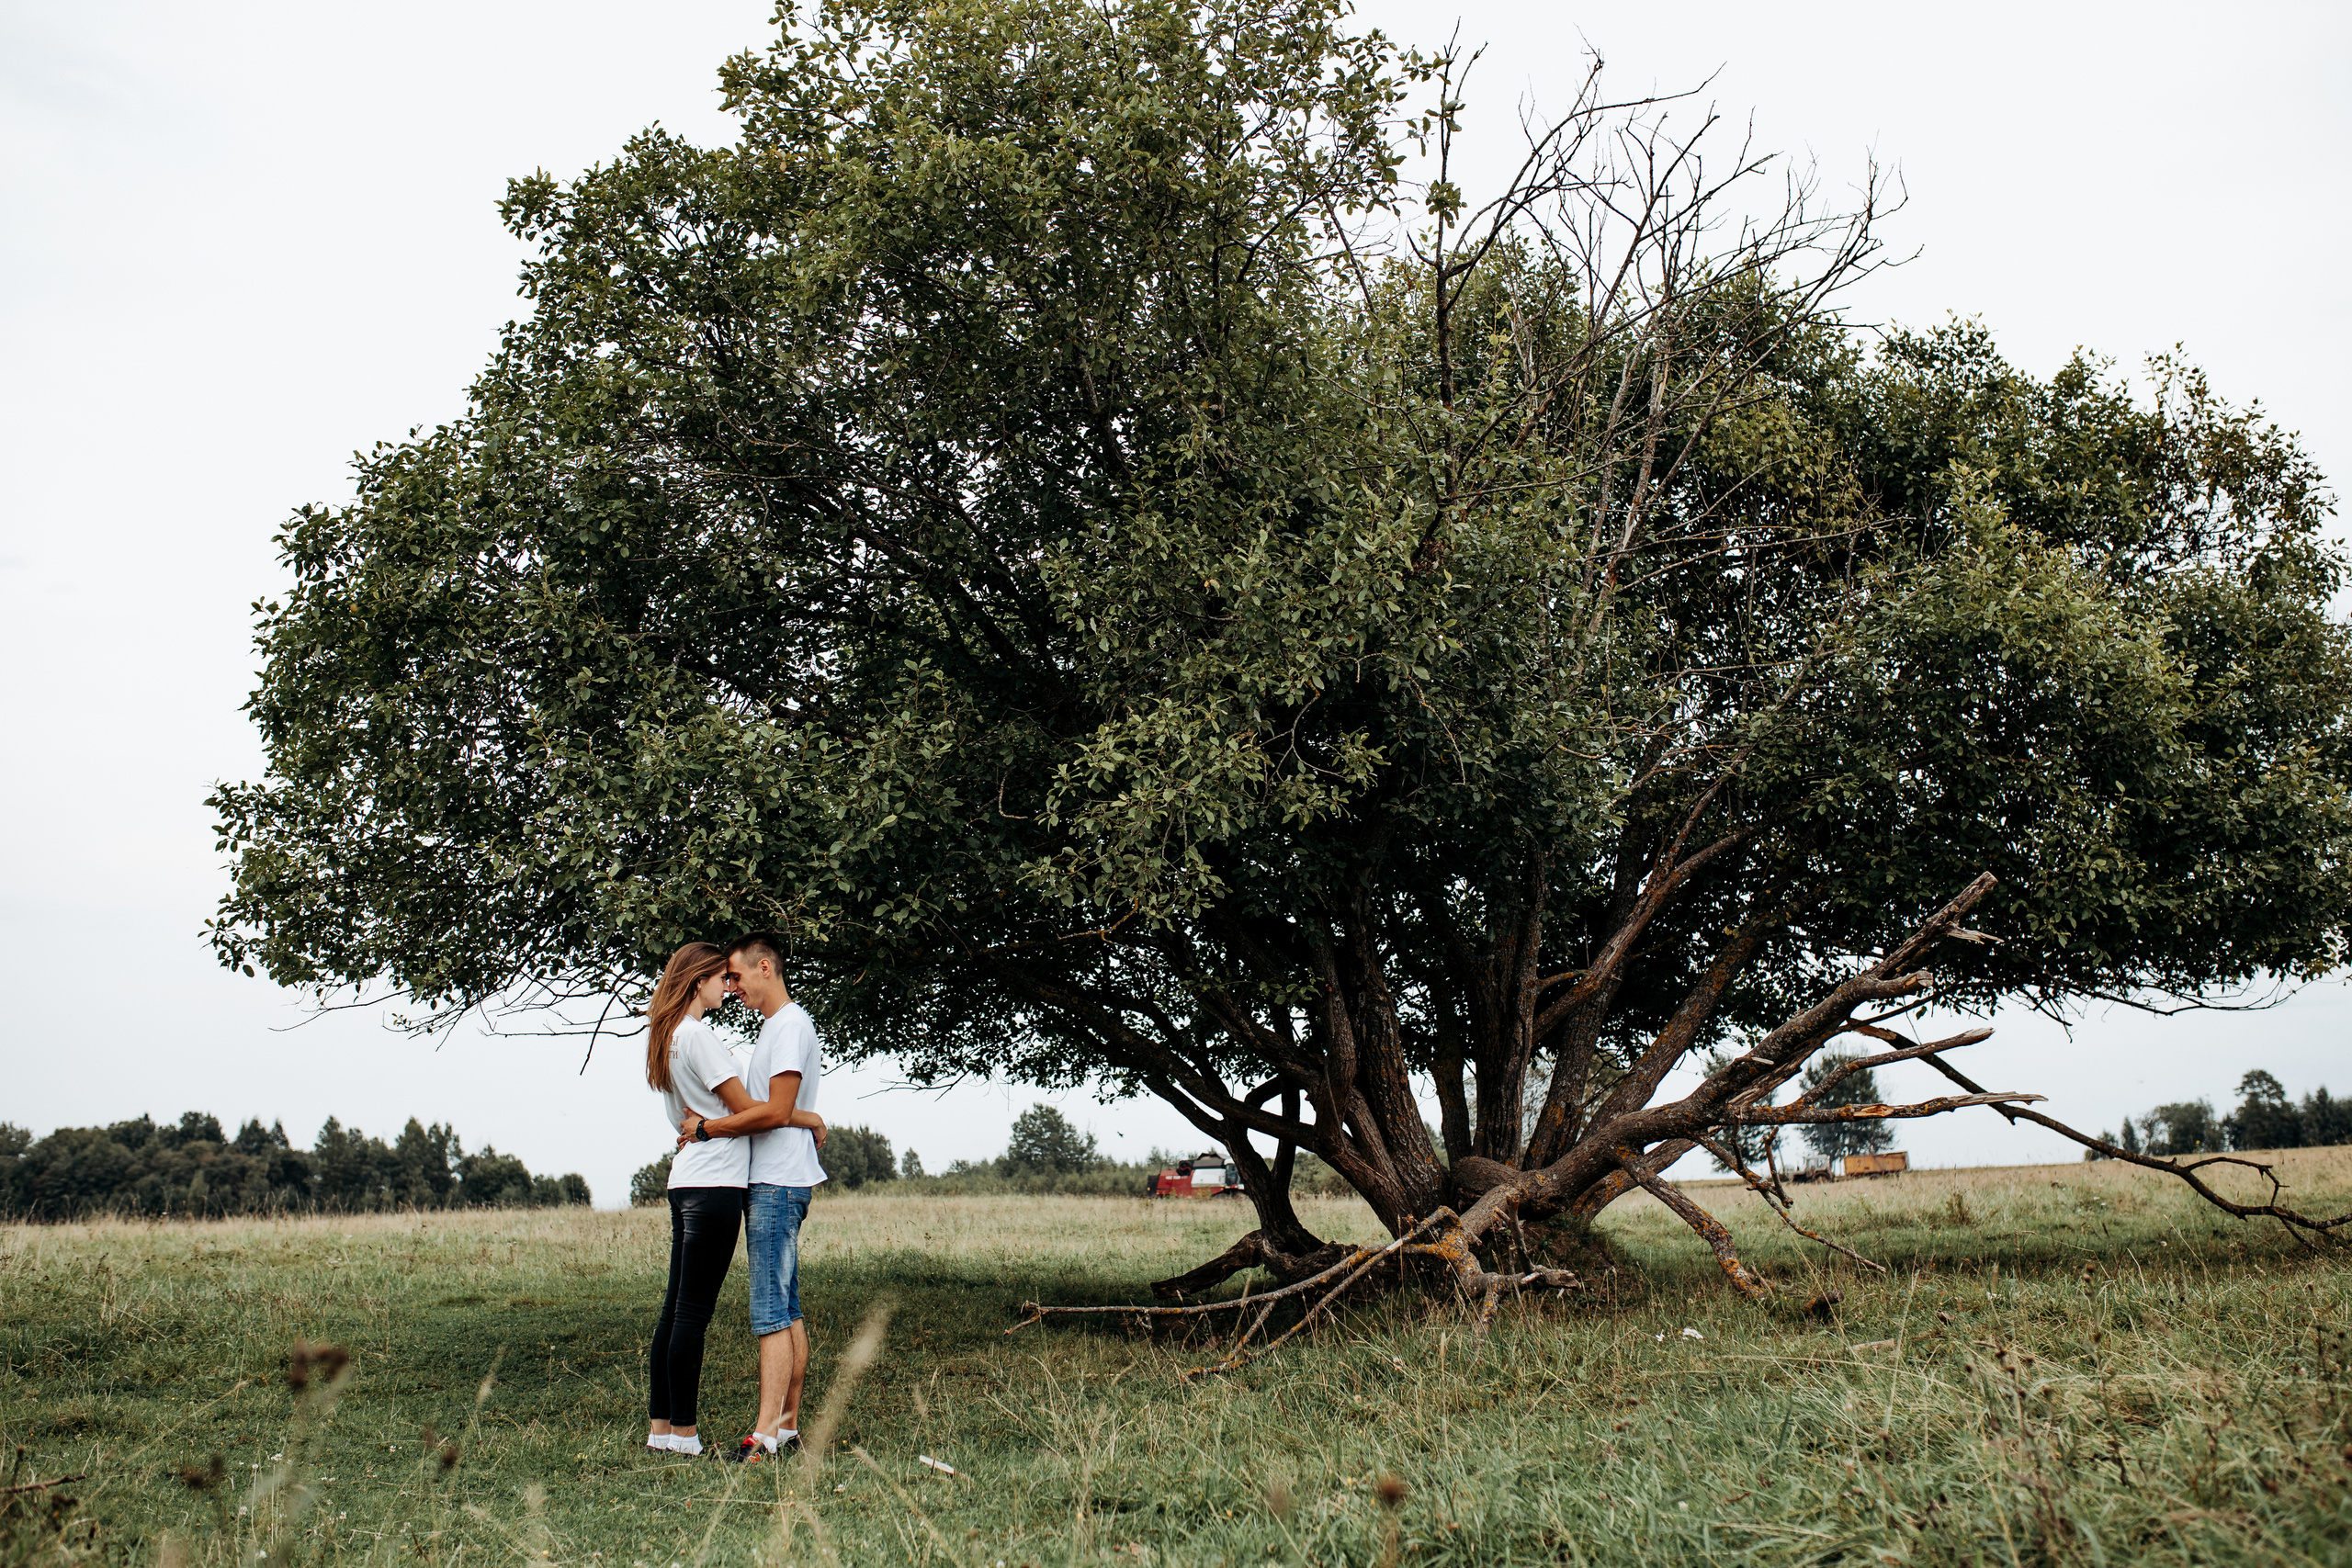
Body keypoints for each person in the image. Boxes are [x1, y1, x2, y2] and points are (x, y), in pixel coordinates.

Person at [679, 931, 826, 1462]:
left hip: (777, 1181)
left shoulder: (788, 1027)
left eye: (737, 975)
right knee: (785, 1307)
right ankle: (786, 1428)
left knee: (768, 1307)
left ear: (766, 967)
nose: (733, 985)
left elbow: (774, 1111)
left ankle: (762, 1436)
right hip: (780, 1176)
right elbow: (782, 1109)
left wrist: (707, 1129)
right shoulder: (776, 1029)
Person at [640, 942, 752, 1458]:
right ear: (697, 981)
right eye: (721, 978)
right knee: (692, 1315)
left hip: (686, 1181)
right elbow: (748, 1111)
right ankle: (685, 1434)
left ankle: (661, 1428)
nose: (728, 987)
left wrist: (701, 1128)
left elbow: (679, 1121)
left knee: (674, 1311)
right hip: (717, 1183)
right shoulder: (698, 1035)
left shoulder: (666, 1039)